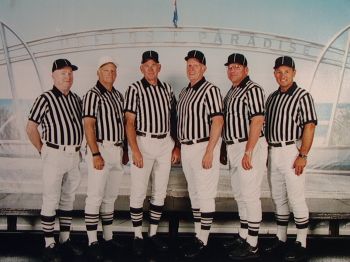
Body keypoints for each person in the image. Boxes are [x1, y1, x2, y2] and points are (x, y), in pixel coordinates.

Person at [26, 58, 83, 261]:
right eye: (63, 73)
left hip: (74, 154)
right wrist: (42, 149)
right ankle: (49, 243)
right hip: (54, 153)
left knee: (68, 198)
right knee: (51, 198)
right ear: (53, 75)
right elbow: (31, 128)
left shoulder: (77, 99)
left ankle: (64, 240)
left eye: (70, 73)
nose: (67, 76)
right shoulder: (45, 98)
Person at [124, 50, 180, 257]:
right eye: (146, 65)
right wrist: (135, 149)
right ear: (141, 68)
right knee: (138, 191)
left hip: (165, 142)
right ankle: (138, 235)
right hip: (143, 141)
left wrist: (176, 145)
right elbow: (129, 122)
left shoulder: (167, 88)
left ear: (159, 67)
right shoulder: (134, 89)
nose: (150, 69)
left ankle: (153, 234)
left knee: (160, 191)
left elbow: (174, 119)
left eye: (153, 65)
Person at [263, 56, 317, 261]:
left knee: (296, 198)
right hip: (274, 151)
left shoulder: (303, 96)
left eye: (286, 71)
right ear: (274, 73)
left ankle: (301, 242)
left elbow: (309, 126)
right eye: (279, 71)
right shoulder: (271, 98)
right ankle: (281, 239)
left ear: (294, 72)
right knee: (278, 198)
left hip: (291, 150)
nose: (282, 75)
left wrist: (303, 154)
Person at [177, 50, 224, 259]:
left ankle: (203, 239)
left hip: (204, 146)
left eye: (195, 65)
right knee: (194, 193)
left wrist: (209, 151)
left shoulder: (211, 90)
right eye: (189, 64)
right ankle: (199, 236)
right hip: (187, 147)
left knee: (205, 194)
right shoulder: (184, 92)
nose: (191, 68)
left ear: (204, 68)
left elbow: (218, 121)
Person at [220, 53, 267, 260]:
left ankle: (253, 245)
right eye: (230, 67)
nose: (233, 70)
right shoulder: (231, 92)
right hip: (233, 146)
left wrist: (249, 150)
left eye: (237, 67)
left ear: (246, 70)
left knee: (250, 195)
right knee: (240, 194)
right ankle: (243, 235)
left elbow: (257, 121)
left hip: (250, 145)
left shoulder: (253, 89)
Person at [83, 56, 128, 261]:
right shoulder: (92, 94)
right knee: (95, 196)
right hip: (101, 148)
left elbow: (123, 125)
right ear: (98, 73)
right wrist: (95, 153)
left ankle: (108, 237)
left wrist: (125, 150)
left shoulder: (118, 95)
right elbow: (89, 125)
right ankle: (92, 240)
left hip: (116, 150)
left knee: (110, 197)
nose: (110, 74)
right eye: (106, 70)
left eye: (113, 71)